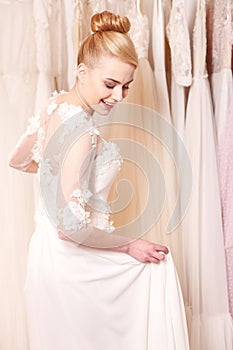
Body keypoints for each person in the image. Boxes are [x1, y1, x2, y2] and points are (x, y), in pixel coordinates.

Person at [9, 11, 189, 350]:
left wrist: (54, 172)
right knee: (157, 271)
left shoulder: (54, 106)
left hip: (44, 256)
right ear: (82, 72)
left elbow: (17, 159)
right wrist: (130, 245)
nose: (119, 96)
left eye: (125, 86)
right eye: (110, 84)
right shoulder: (81, 131)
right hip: (71, 265)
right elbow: (69, 228)